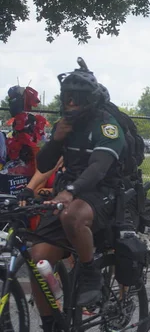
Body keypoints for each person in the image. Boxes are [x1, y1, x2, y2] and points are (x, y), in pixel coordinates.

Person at [29, 61, 125, 332]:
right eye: (67, 97)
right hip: (67, 194)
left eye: (78, 98)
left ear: (90, 100)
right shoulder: (64, 126)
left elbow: (97, 168)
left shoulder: (107, 126)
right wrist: (56, 139)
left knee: (72, 215)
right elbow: (44, 163)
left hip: (100, 194)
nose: (71, 103)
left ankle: (89, 271)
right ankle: (52, 323)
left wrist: (70, 191)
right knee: (39, 260)